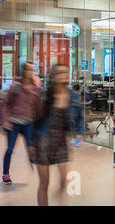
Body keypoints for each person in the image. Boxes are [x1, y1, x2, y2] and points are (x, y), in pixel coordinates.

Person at [30, 64, 84, 206]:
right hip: (43, 141)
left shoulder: (73, 95)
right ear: (53, 76)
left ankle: (57, 199)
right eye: (60, 72)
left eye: (65, 71)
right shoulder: (44, 95)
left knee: (63, 180)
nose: (64, 74)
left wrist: (79, 133)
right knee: (44, 183)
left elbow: (79, 116)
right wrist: (31, 144)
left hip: (61, 142)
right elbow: (33, 121)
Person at [1, 61, 41, 185]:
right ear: (24, 71)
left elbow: (38, 107)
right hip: (13, 123)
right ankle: (5, 175)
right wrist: (6, 121)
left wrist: (41, 123)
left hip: (28, 123)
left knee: (31, 148)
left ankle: (33, 161)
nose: (31, 72)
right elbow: (5, 104)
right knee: (10, 150)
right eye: (28, 70)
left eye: (32, 70)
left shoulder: (35, 89)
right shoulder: (16, 86)